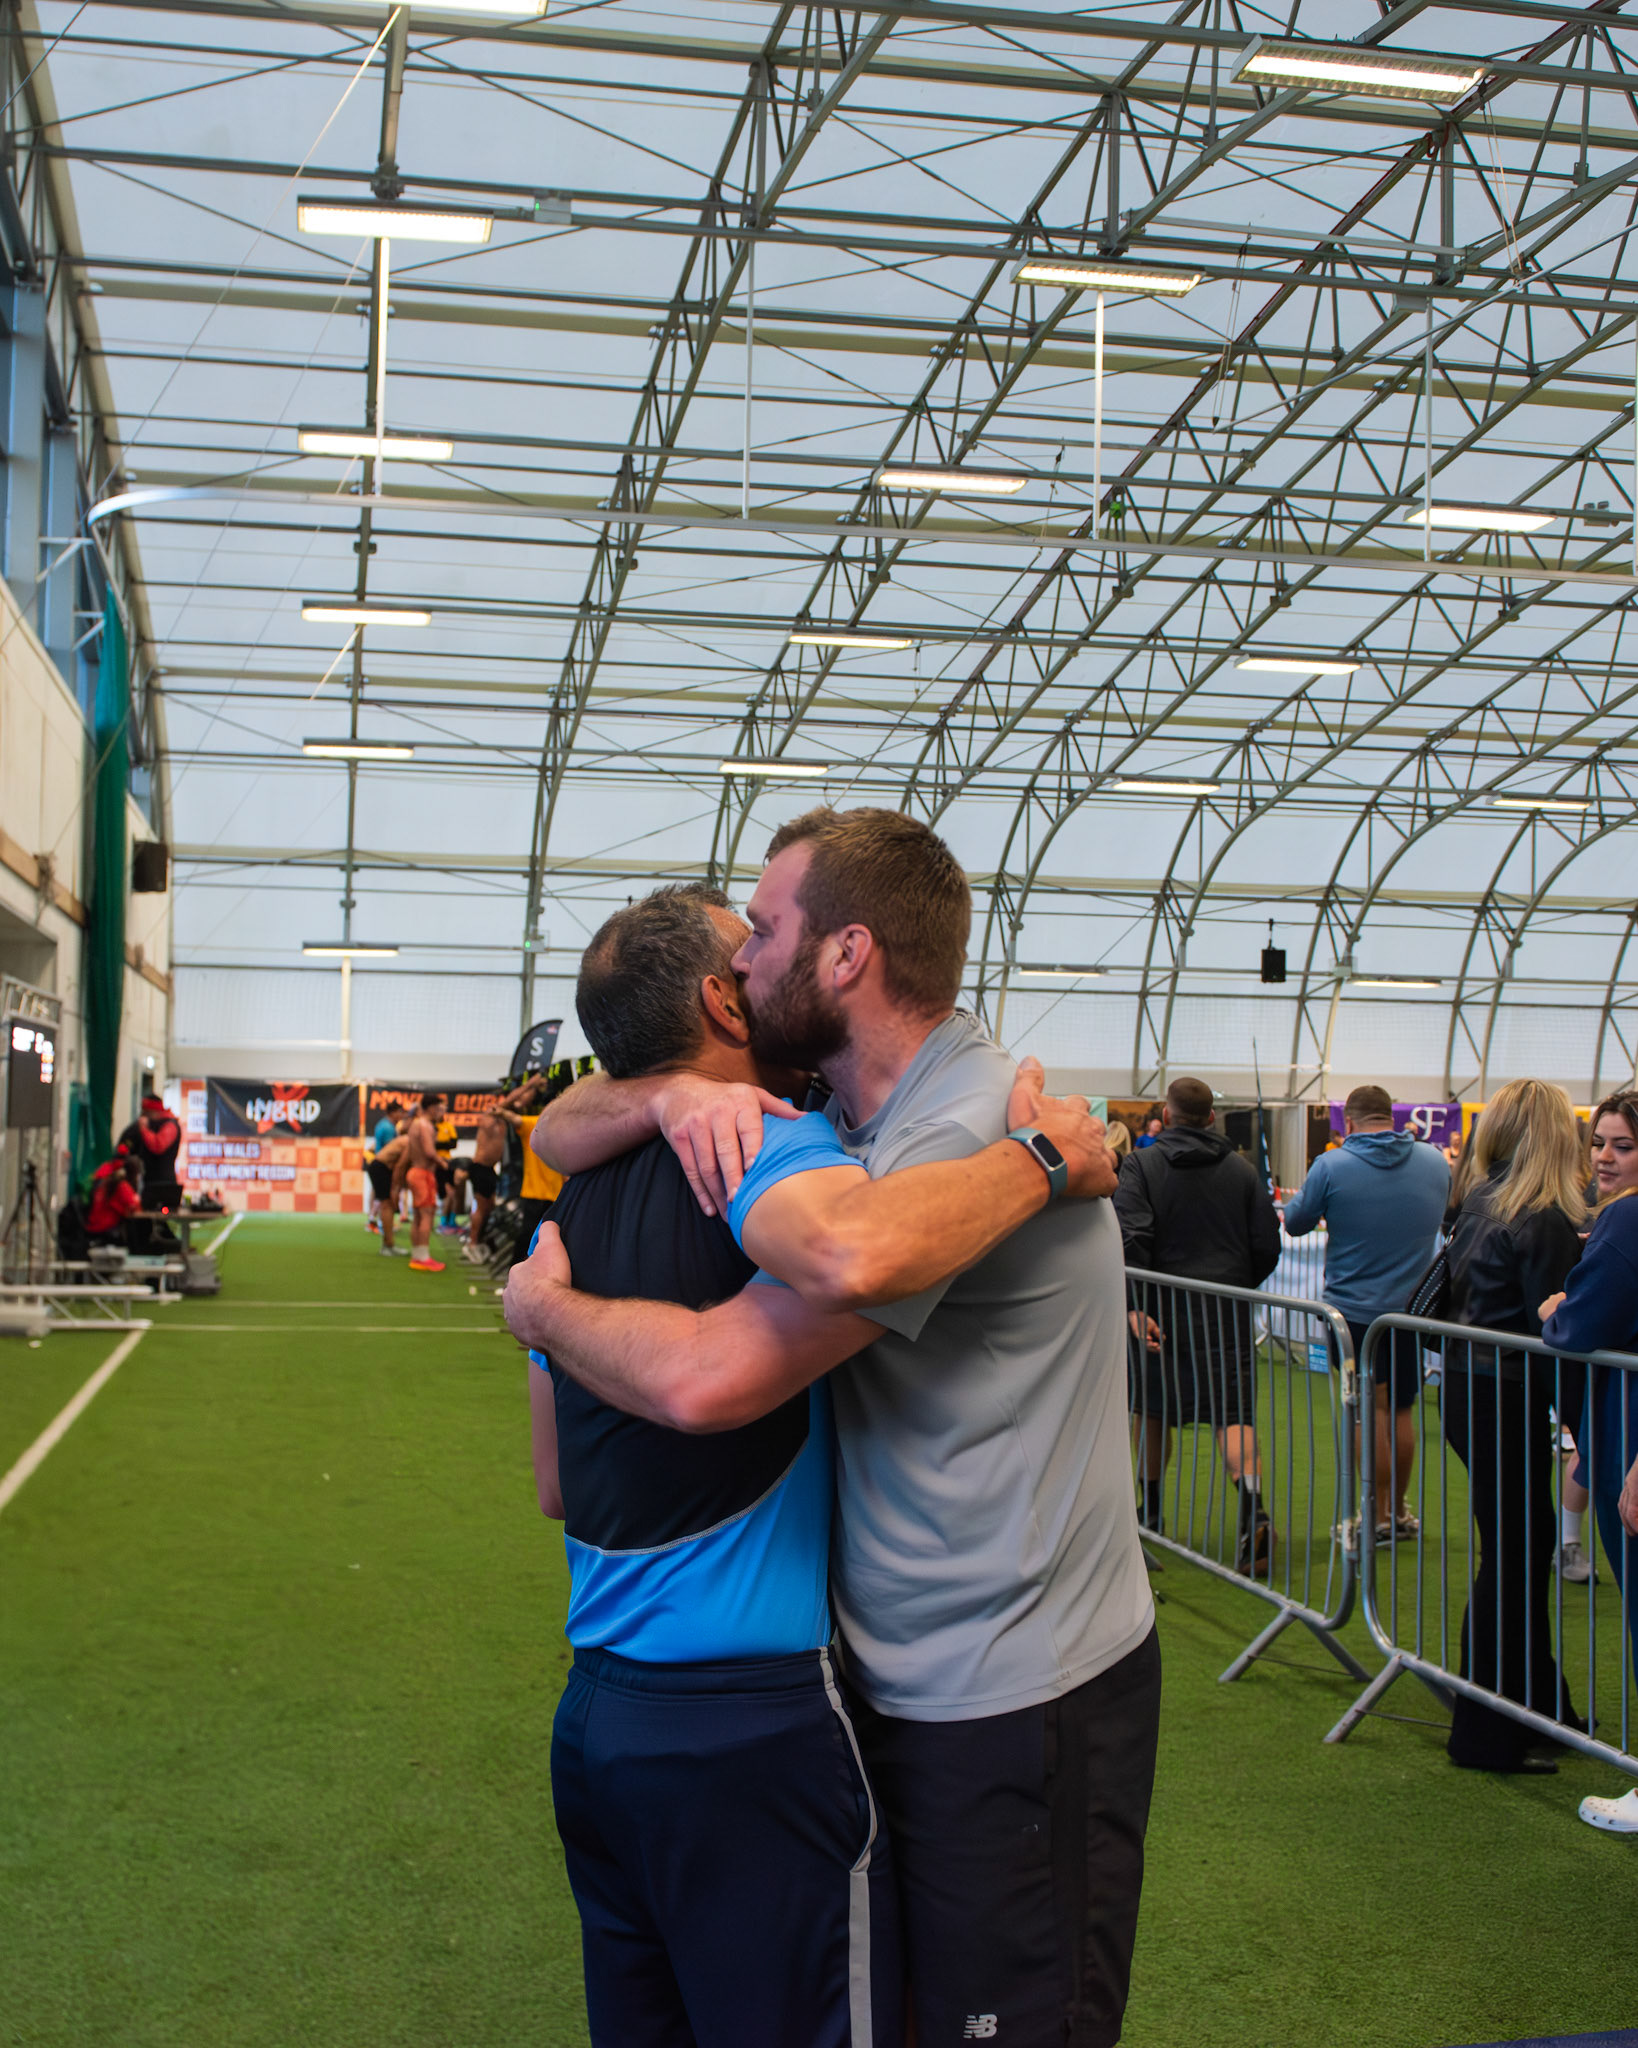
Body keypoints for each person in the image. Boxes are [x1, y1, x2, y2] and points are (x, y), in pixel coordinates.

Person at [509, 807, 1158, 2048]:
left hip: (1012, 1691)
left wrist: (544, 1306)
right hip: (880, 1683)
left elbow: (762, 1330)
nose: (747, 962)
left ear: (847, 953)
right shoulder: (831, 1120)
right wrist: (663, 1095)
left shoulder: (944, 1133)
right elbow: (560, 1120)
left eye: (763, 930)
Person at [1441, 1077, 1586, 1774]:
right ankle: (1484, 1730)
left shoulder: (1482, 1200)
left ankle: (1540, 1707)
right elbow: (1558, 1328)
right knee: (1514, 1557)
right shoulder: (1541, 1216)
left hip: (1473, 1391)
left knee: (1514, 1549)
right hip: (1503, 1395)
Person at [1114, 1075, 1282, 1575]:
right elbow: (1267, 1244)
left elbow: (1130, 1237)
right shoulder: (1242, 1170)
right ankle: (1253, 1513)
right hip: (1225, 1309)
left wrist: (1133, 1303)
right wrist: (1236, 1283)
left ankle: (1150, 1513)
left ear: (1165, 1116)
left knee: (1151, 1409)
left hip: (1157, 1308)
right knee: (1234, 1415)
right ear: (1212, 1118)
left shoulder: (1141, 1165)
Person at [1282, 1085, 1450, 1540]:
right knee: (1401, 1409)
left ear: (1349, 1124)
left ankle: (1373, 1517)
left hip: (1353, 1313)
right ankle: (1397, 1511)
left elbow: (1294, 1222)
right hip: (1410, 1311)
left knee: (1366, 1411)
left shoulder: (1332, 1165)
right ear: (1391, 1117)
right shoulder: (1435, 1161)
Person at [1540, 1089, 1638, 1831]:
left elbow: (1576, 1325)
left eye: (1623, 1146)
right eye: (1599, 1142)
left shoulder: (1627, 1221)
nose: (1604, 1157)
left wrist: (1557, 1308)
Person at [118, 1094, 183, 1214]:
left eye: (147, 1113)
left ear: (154, 1112)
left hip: (165, 1185)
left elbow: (158, 1146)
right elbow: (123, 1149)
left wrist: (144, 1129)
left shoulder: (170, 1125)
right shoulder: (143, 1127)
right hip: (148, 1183)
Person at [462, 1099, 508, 1264]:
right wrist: (530, 1086)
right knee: (481, 1208)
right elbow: (507, 1103)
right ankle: (472, 1243)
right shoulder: (487, 1121)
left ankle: (479, 1239)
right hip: (479, 1168)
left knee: (489, 1207)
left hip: (490, 1170)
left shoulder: (503, 1123)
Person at [404, 1093, 446, 1273]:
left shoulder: (415, 1123)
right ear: (431, 1108)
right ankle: (423, 1258)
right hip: (423, 1174)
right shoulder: (425, 1125)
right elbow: (429, 1151)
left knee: (419, 1216)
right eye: (439, 1108)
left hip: (415, 1172)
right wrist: (442, 1162)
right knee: (427, 1215)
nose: (440, 1112)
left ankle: (417, 1255)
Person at [367, 1126, 410, 1256]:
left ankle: (388, 1244)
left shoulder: (406, 1140)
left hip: (381, 1167)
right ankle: (388, 1245)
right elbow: (400, 1166)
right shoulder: (409, 1142)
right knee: (387, 1205)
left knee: (387, 1205)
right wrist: (395, 1188)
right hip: (380, 1168)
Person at [85, 1152, 142, 1247]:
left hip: (94, 1225)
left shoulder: (107, 1182)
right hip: (104, 1228)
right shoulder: (122, 1186)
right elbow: (135, 1208)